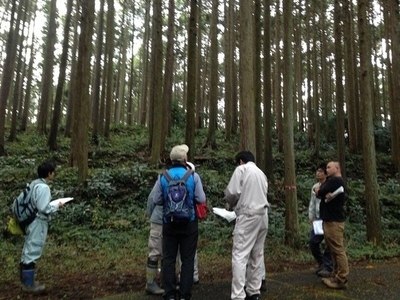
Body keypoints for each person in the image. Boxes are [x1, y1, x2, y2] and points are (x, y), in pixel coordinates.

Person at [152, 144, 206, 300]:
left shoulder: (163, 176)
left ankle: (169, 294)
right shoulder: (193, 176)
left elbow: (157, 199)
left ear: (171, 159)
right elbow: (201, 199)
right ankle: (184, 295)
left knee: (168, 259)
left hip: (169, 223)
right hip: (189, 223)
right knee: (187, 259)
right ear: (184, 159)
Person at [145, 161, 199, 295]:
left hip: (164, 219)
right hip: (162, 221)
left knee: (166, 255)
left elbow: (153, 199)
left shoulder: (164, 178)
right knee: (156, 252)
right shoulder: (189, 179)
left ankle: (167, 283)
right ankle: (150, 282)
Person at [225, 151, 269, 300]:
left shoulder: (241, 170)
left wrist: (229, 205)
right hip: (263, 215)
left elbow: (232, 192)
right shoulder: (261, 173)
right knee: (257, 254)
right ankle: (254, 290)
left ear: (241, 161)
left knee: (240, 255)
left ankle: (238, 295)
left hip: (248, 215)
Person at [19, 161, 64, 293]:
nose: (53, 174)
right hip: (37, 222)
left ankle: (25, 282)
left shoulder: (34, 184)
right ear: (49, 173)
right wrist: (57, 206)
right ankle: (28, 284)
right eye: (53, 172)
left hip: (29, 220)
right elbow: (43, 208)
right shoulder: (44, 188)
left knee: (28, 248)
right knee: (33, 250)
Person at [315, 161, 349, 289]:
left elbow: (320, 191)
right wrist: (320, 191)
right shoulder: (332, 181)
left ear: (337, 168)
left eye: (329, 167)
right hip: (329, 220)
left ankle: (341, 278)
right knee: (333, 250)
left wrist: (320, 190)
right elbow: (319, 191)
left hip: (334, 222)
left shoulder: (336, 181)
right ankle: (336, 275)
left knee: (338, 250)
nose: (327, 170)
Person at [308, 163, 333, 277]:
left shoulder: (330, 186)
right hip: (318, 219)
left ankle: (328, 266)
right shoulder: (314, 187)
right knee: (313, 241)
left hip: (328, 218)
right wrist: (311, 216)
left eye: (321, 171)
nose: (318, 173)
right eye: (317, 171)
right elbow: (312, 202)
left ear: (326, 174)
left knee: (329, 242)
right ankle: (322, 262)